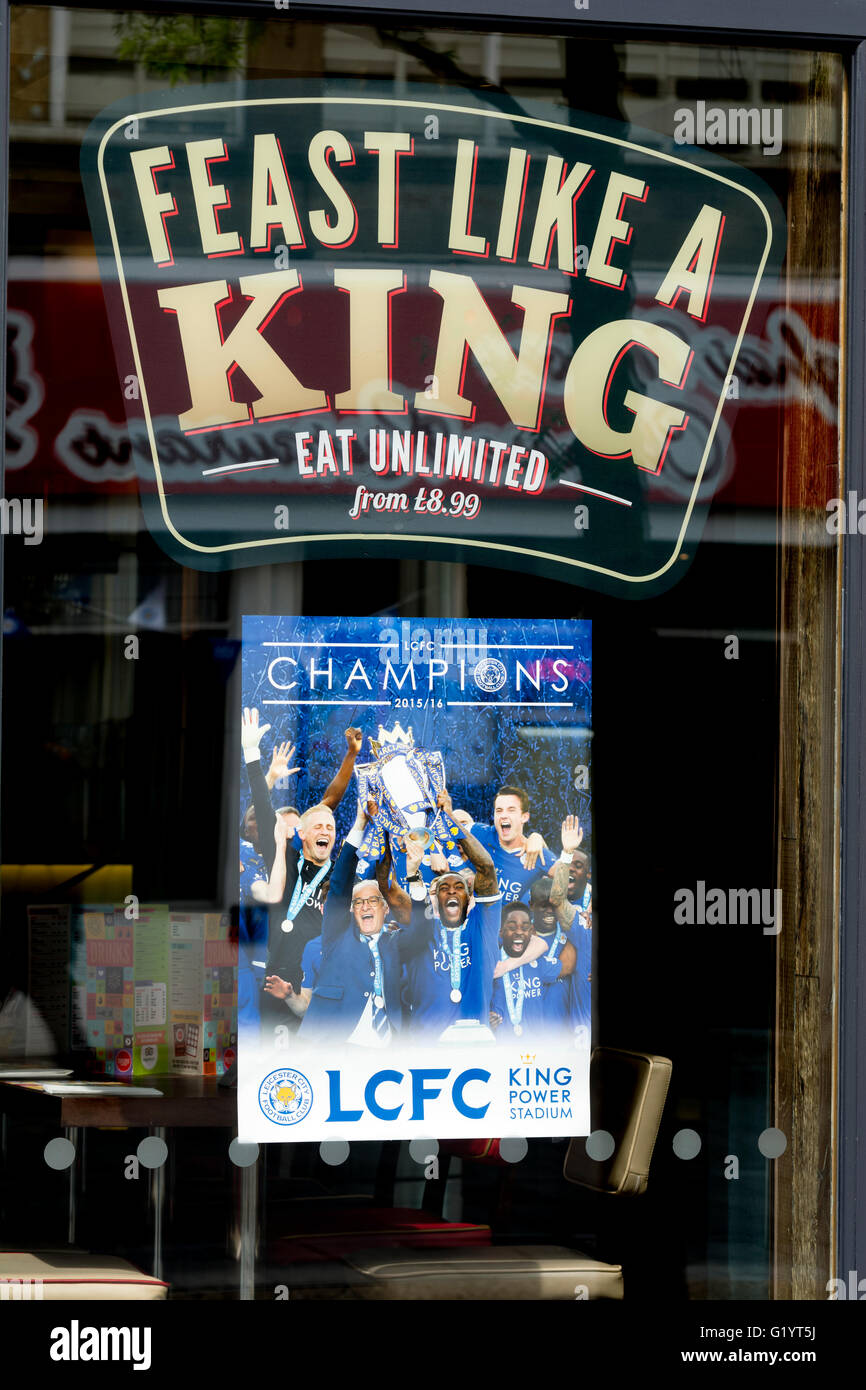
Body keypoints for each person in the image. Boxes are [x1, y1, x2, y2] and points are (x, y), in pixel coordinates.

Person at [240, 710, 363, 1034]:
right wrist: (252, 756)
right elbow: (265, 817)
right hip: (269, 981)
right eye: (318, 826)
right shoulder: (285, 859)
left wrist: (351, 756)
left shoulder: (338, 877)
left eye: (331, 827)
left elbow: (330, 802)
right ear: (303, 834)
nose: (326, 830)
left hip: (314, 987)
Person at [403, 791, 547, 1041]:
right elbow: (399, 898)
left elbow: (486, 868)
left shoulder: (482, 924)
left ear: (471, 897)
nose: (452, 892)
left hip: (476, 1043)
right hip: (425, 1045)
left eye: (460, 888)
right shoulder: (424, 929)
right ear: (433, 896)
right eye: (444, 888)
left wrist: (449, 821)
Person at [299, 811, 429, 1045]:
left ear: (385, 908)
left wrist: (413, 875)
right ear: (350, 909)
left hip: (386, 1047)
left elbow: (422, 930)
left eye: (372, 901)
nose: (365, 906)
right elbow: (338, 886)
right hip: (335, 1044)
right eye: (358, 902)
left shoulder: (395, 942)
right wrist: (359, 822)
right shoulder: (336, 936)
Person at [451, 785, 558, 903]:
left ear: (524, 817)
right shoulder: (480, 833)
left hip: (511, 920)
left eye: (511, 810)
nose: (503, 815)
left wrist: (537, 838)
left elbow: (568, 882)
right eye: (499, 810)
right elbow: (449, 830)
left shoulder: (535, 853)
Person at [490, 902, 572, 1042]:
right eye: (511, 927)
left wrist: (572, 928)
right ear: (501, 932)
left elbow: (568, 966)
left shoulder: (538, 962)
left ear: (532, 932)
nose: (519, 932)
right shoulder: (492, 963)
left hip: (535, 1047)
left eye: (525, 927)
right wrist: (486, 1017)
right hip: (502, 1047)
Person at [548, 815, 592, 1044]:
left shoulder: (588, 921)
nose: (573, 870)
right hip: (552, 990)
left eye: (579, 866)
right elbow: (556, 899)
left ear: (589, 875)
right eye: (569, 865)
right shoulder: (583, 924)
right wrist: (566, 853)